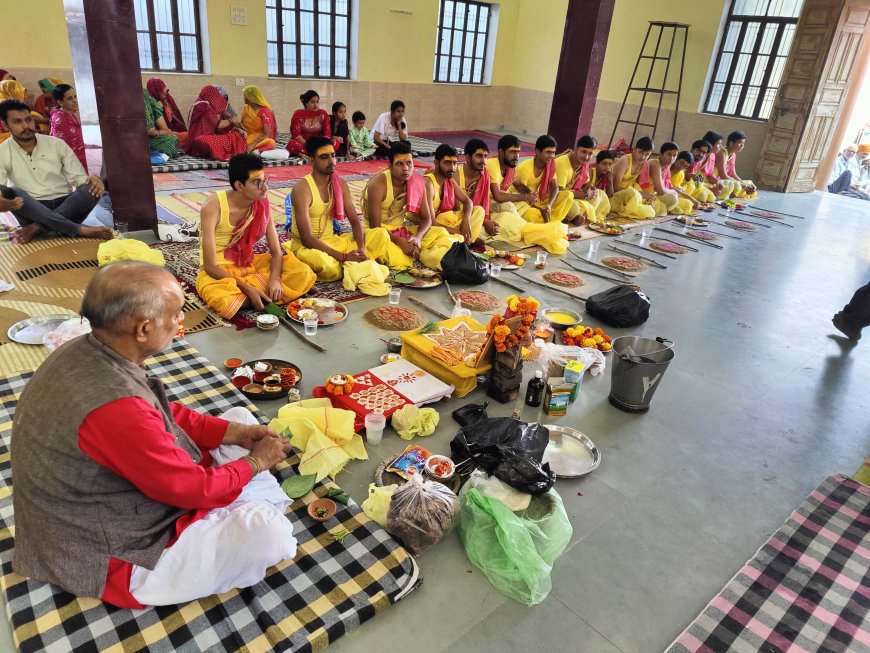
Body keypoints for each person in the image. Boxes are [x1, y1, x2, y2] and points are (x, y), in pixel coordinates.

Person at [11, 261, 297, 608]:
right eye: (176, 314)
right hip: (102, 543)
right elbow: (189, 488)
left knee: (237, 419)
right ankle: (238, 505)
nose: (181, 322)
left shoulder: (86, 350)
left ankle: (238, 497)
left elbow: (162, 414)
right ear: (144, 328)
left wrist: (235, 433)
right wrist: (255, 463)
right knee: (269, 536)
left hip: (109, 492)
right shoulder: (115, 407)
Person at [196, 153, 316, 318]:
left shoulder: (262, 202)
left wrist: (274, 279)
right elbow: (210, 266)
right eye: (256, 183)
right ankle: (264, 293)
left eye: (265, 181)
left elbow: (276, 252)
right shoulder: (212, 206)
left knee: (303, 272)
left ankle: (256, 296)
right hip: (220, 270)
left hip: (249, 262)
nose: (265, 188)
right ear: (239, 185)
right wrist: (248, 288)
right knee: (222, 300)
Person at [0, 99, 111, 243]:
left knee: (92, 187)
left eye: (28, 120)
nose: (26, 126)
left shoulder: (56, 144)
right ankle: (79, 229)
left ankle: (36, 229)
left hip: (67, 205)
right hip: (33, 209)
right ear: (5, 125)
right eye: (17, 122)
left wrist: (91, 180)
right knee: (12, 192)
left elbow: (78, 177)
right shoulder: (2, 151)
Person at [287, 136, 391, 281]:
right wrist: (344, 256)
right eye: (324, 157)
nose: (331, 161)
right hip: (308, 249)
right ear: (311, 161)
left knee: (381, 235)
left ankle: (354, 264)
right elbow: (307, 239)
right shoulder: (302, 189)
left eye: (333, 155)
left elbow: (355, 221)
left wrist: (361, 248)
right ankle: (356, 265)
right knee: (326, 265)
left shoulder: (340, 184)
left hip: (334, 241)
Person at [460, 137, 568, 254]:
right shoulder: (490, 166)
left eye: (518, 152)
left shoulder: (510, 168)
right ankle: (542, 230)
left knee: (509, 214)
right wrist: (525, 197)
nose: (516, 156)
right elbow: (497, 196)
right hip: (482, 207)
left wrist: (529, 194)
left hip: (486, 206)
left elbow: (519, 185)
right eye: (512, 152)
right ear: (501, 152)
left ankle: (536, 229)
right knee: (505, 215)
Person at [363, 141, 453, 270]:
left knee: (440, 232)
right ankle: (425, 255)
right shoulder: (378, 184)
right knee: (393, 251)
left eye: (409, 163)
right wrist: (400, 242)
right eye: (400, 164)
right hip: (378, 234)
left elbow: (427, 218)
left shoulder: (416, 182)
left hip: (401, 231)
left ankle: (420, 251)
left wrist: (417, 238)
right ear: (390, 166)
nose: (406, 168)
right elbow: (375, 227)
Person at [425, 143, 487, 246]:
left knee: (479, 211)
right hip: (431, 227)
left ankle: (462, 241)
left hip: (446, 223)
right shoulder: (428, 183)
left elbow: (468, 202)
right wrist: (461, 232)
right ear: (436, 163)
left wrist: (466, 221)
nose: (452, 168)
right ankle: (465, 240)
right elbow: (431, 223)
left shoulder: (449, 180)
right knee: (442, 237)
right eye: (447, 163)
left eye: (455, 163)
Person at [511, 135, 573, 224]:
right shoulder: (525, 167)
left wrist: (549, 205)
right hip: (522, 201)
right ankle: (551, 220)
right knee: (531, 215)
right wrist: (540, 210)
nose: (551, 156)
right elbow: (521, 193)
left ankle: (548, 219)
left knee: (568, 195)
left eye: (553, 152)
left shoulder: (550, 166)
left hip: (540, 200)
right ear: (538, 151)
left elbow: (555, 188)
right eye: (548, 152)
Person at [555, 135, 611, 225]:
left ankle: (576, 216)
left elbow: (586, 183)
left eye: (590, 154)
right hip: (556, 199)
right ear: (576, 149)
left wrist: (592, 189)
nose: (586, 157)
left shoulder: (584, 164)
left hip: (573, 197)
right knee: (569, 201)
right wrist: (585, 194)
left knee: (602, 195)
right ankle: (576, 216)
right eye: (583, 152)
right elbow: (559, 193)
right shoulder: (562, 162)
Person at [187, 85, 247, 161]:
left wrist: (235, 127)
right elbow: (218, 125)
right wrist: (231, 120)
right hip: (201, 140)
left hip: (198, 140)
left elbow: (222, 126)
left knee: (235, 134)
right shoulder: (204, 106)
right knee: (235, 137)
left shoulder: (203, 104)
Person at [609, 136, 660, 219]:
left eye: (647, 154)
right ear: (634, 150)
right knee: (634, 194)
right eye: (640, 152)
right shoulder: (625, 161)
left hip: (630, 194)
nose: (643, 157)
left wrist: (644, 196)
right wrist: (640, 194)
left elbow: (637, 185)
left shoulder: (643, 164)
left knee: (653, 199)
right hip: (615, 195)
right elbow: (615, 188)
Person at [648, 142, 698, 215]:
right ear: (661, 154)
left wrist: (692, 199)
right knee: (673, 199)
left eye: (674, 156)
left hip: (659, 193)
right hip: (648, 193)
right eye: (669, 154)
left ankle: (666, 206)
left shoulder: (667, 167)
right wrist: (673, 191)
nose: (671, 158)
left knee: (686, 202)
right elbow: (661, 190)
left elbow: (669, 187)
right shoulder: (656, 164)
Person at [286, 90, 338, 157]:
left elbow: (327, 133)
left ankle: (310, 154)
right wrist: (307, 144)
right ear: (306, 103)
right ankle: (318, 154)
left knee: (335, 142)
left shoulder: (323, 114)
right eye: (313, 102)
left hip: (320, 144)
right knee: (292, 144)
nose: (316, 105)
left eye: (317, 102)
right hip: (305, 144)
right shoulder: (298, 114)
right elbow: (296, 134)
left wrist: (319, 144)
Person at [49, 84, 88, 171]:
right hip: (70, 167)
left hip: (82, 161)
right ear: (60, 102)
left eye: (75, 96)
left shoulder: (72, 114)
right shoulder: (59, 120)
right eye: (70, 98)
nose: (75, 101)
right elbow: (60, 148)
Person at [670, 140, 716, 204]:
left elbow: (681, 174)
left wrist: (696, 178)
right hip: (671, 188)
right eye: (699, 150)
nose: (700, 154)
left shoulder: (697, 162)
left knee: (708, 195)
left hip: (679, 187)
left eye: (704, 153)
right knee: (692, 187)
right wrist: (689, 176)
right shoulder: (682, 157)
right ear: (692, 149)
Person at [716, 131, 757, 199]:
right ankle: (731, 193)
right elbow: (723, 176)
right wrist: (745, 186)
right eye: (740, 142)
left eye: (743, 143)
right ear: (731, 143)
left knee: (750, 183)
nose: (742, 145)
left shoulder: (733, 155)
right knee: (734, 186)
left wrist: (745, 185)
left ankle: (733, 193)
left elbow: (733, 174)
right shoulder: (722, 153)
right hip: (718, 181)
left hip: (727, 180)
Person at [699, 130, 739, 200]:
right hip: (696, 184)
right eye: (718, 144)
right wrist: (711, 189)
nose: (721, 146)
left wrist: (717, 183)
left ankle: (718, 197)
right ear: (710, 144)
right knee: (704, 194)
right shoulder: (700, 155)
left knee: (728, 185)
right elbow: (691, 178)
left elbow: (709, 175)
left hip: (706, 183)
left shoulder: (712, 155)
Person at [143, 89, 180, 159]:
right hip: (129, 139)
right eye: (163, 93)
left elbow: (165, 130)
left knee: (173, 138)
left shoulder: (152, 102)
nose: (165, 96)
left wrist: (155, 133)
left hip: (151, 138)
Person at [240, 85, 277, 153]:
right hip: (245, 136)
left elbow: (266, 134)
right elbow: (242, 124)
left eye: (245, 97)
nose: (244, 98)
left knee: (271, 143)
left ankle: (256, 151)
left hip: (259, 139)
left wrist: (252, 144)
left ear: (251, 97)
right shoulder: (246, 108)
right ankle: (249, 149)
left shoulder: (265, 111)